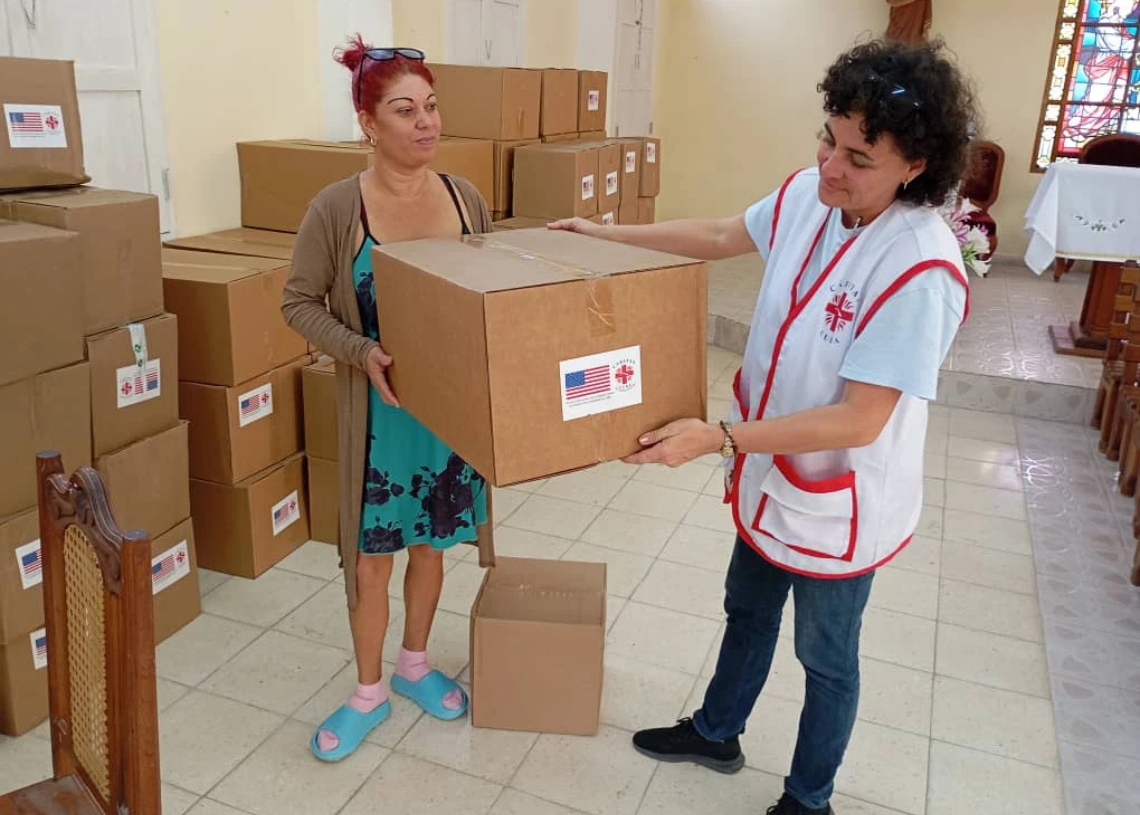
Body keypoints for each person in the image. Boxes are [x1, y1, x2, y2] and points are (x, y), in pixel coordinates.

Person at [550, 38, 977, 815]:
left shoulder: (920, 268)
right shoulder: (809, 198)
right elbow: (719, 236)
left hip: (837, 496)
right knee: (745, 606)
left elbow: (859, 416)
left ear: (915, 165)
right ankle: (718, 730)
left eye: (859, 157)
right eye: (829, 137)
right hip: (768, 468)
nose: (830, 167)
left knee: (826, 656)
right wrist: (604, 237)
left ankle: (809, 798)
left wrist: (719, 437)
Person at [282, 37, 493, 762]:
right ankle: (367, 690)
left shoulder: (466, 198)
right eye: (405, 110)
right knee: (373, 561)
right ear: (369, 124)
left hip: (446, 419)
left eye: (431, 107)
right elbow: (299, 302)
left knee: (433, 545)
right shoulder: (337, 208)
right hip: (380, 422)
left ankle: (413, 663)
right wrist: (360, 350)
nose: (425, 123)